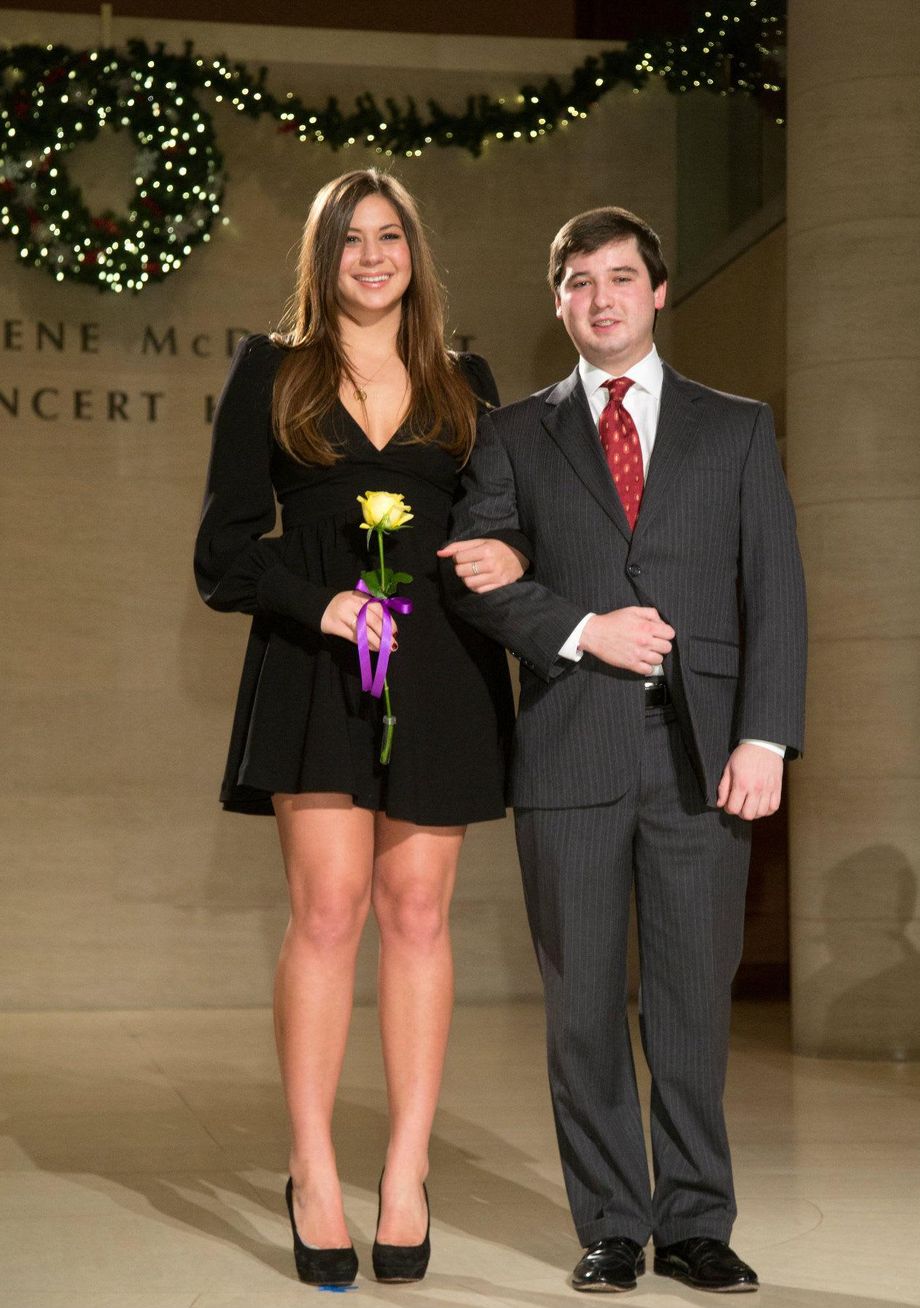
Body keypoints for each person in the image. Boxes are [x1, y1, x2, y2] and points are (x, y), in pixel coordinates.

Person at [439, 206, 807, 1295]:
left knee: (692, 999)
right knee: (583, 1003)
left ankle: (695, 1223)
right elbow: (476, 575)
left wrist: (765, 734)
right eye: (577, 282)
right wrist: (578, 628)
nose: (599, 297)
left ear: (656, 292)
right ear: (557, 302)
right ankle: (609, 1223)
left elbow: (772, 589)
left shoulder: (734, 426)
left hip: (704, 755)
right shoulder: (509, 435)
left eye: (618, 277)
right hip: (568, 749)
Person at [194, 169, 527, 1288]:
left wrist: (517, 557)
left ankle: (404, 1172)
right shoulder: (271, 370)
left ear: (413, 254)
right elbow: (223, 551)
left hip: (442, 664)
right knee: (329, 913)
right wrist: (321, 601)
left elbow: (505, 521)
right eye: (351, 241)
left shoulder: (464, 378)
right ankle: (312, 1170)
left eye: (390, 238)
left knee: (418, 913)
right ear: (322, 255)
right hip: (316, 659)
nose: (373, 257)